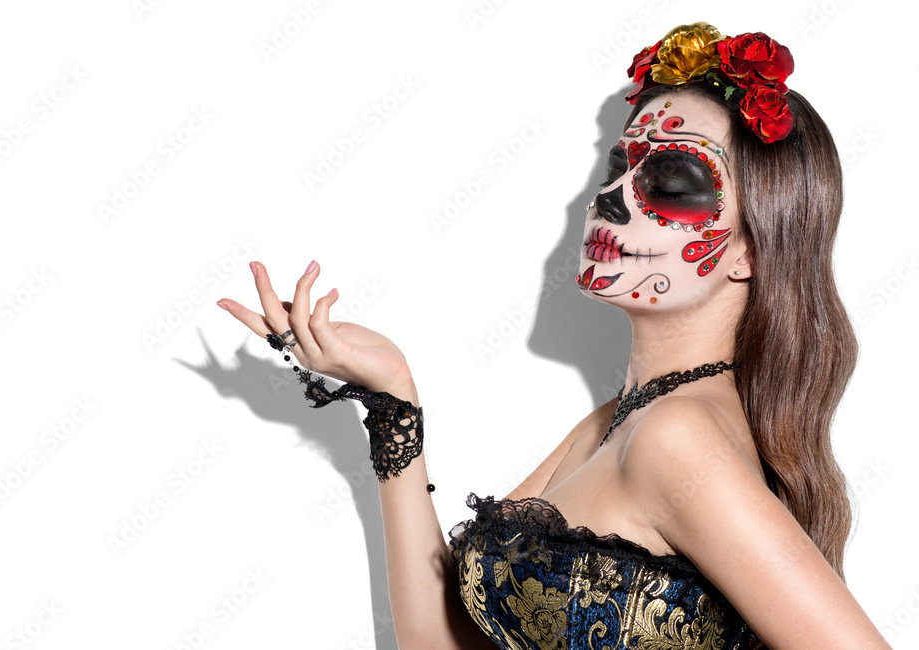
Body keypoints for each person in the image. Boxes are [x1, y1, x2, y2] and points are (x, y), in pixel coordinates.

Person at [216, 21, 891, 650]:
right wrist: (395, 399)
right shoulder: (618, 423)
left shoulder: (676, 438)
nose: (612, 196)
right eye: (618, 167)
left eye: (672, 180)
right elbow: (440, 641)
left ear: (752, 250)